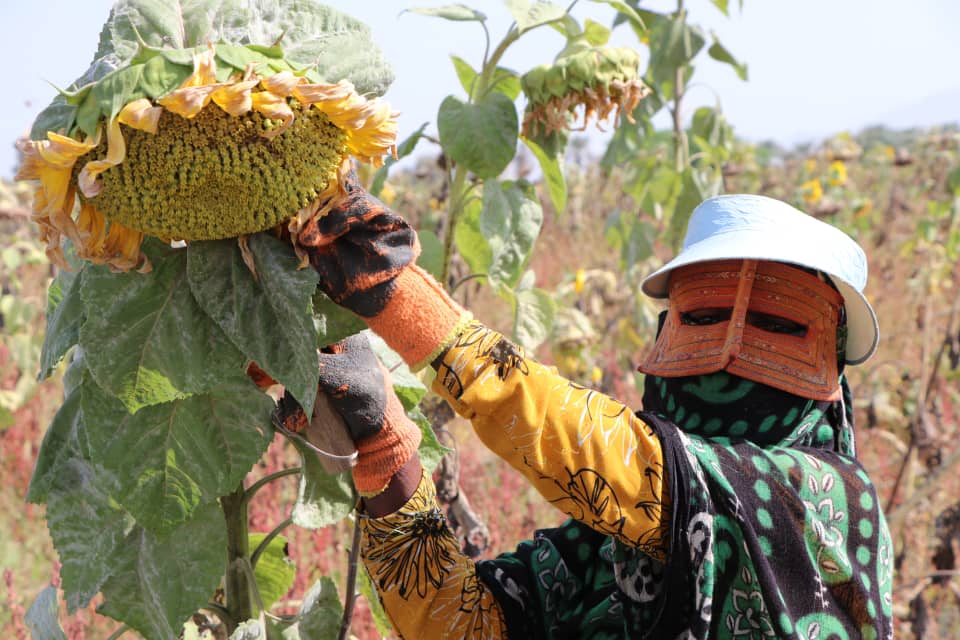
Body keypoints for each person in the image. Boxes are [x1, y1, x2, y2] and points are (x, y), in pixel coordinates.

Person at [293, 179, 894, 639]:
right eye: (702, 319)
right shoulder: (611, 541)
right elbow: (460, 623)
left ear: (830, 373)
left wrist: (403, 300)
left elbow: (621, 460)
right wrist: (385, 449)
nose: (727, 355)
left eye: (778, 326)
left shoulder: (824, 498)